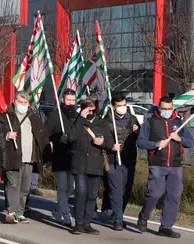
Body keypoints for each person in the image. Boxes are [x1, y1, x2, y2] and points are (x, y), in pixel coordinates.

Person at [136, 96, 193, 238]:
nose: (166, 111)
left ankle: (166, 226)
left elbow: (189, 142)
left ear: (173, 108)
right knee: (154, 194)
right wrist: (156, 144)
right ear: (158, 108)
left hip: (175, 165)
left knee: (174, 195)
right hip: (157, 163)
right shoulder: (150, 121)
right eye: (163, 109)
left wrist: (178, 139)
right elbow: (141, 142)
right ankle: (144, 216)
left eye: (169, 109)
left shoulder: (179, 121)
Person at [0, 91, 47, 224]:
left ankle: (20, 212)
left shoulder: (34, 117)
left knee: (25, 187)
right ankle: (11, 211)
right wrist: (7, 136)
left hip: (29, 157)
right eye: (21, 102)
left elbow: (41, 135)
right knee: (13, 184)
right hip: (12, 156)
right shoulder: (6, 117)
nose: (23, 105)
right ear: (15, 102)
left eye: (25, 103)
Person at [67, 98, 115, 235]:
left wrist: (103, 142)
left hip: (96, 163)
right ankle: (79, 223)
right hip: (80, 163)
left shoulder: (103, 123)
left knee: (92, 195)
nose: (90, 110)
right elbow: (70, 138)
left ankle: (87, 223)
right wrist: (80, 119)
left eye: (93, 108)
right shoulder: (76, 122)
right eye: (87, 108)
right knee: (81, 192)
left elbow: (111, 142)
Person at [103, 95, 140, 230]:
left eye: (124, 104)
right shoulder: (107, 121)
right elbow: (102, 139)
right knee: (116, 191)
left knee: (126, 191)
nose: (122, 108)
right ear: (113, 107)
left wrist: (138, 132)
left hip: (129, 160)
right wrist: (110, 146)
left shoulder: (132, 119)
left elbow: (140, 137)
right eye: (119, 106)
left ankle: (117, 213)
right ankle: (118, 220)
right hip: (113, 160)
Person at [46, 89, 79, 226]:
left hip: (73, 157)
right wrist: (56, 139)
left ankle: (58, 209)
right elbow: (46, 134)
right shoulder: (55, 115)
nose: (71, 103)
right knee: (62, 187)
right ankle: (66, 215)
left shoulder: (76, 116)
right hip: (59, 156)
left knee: (70, 188)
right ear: (63, 100)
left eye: (73, 100)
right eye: (68, 100)